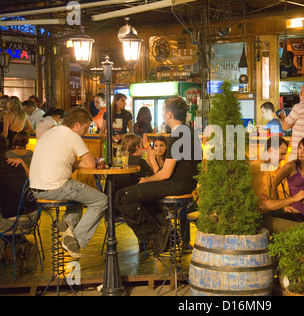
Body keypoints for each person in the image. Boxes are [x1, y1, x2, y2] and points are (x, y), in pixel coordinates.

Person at [116, 96, 202, 257]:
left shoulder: (178, 135)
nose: (162, 115)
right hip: (188, 183)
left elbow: (166, 173)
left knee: (123, 195)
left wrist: (146, 180)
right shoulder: (189, 131)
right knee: (143, 195)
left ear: (169, 114)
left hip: (177, 184)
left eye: (163, 112)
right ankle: (168, 233)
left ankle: (159, 234)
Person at [29, 107, 107, 258]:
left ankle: (68, 224)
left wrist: (78, 164)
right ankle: (76, 240)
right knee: (102, 200)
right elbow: (90, 164)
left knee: (81, 197)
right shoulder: (72, 136)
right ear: (77, 125)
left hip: (36, 188)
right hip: (56, 186)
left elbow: (73, 164)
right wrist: (88, 162)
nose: (85, 132)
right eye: (85, 128)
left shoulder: (50, 132)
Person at [250, 136, 304, 234]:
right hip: (259, 220)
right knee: (303, 230)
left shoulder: (261, 165)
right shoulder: (260, 170)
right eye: (282, 154)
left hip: (262, 216)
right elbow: (262, 205)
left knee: (295, 216)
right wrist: (294, 198)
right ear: (270, 150)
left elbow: (261, 200)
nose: (283, 158)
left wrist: (282, 207)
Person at [0, 135, 39, 272]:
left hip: (13, 220)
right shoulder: (15, 164)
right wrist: (23, 164)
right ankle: (19, 247)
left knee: (5, 217)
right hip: (33, 217)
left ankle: (12, 252)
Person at [271, 136, 304, 222]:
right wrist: (281, 207)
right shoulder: (291, 166)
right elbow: (273, 184)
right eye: (300, 148)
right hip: (297, 212)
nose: (301, 152)